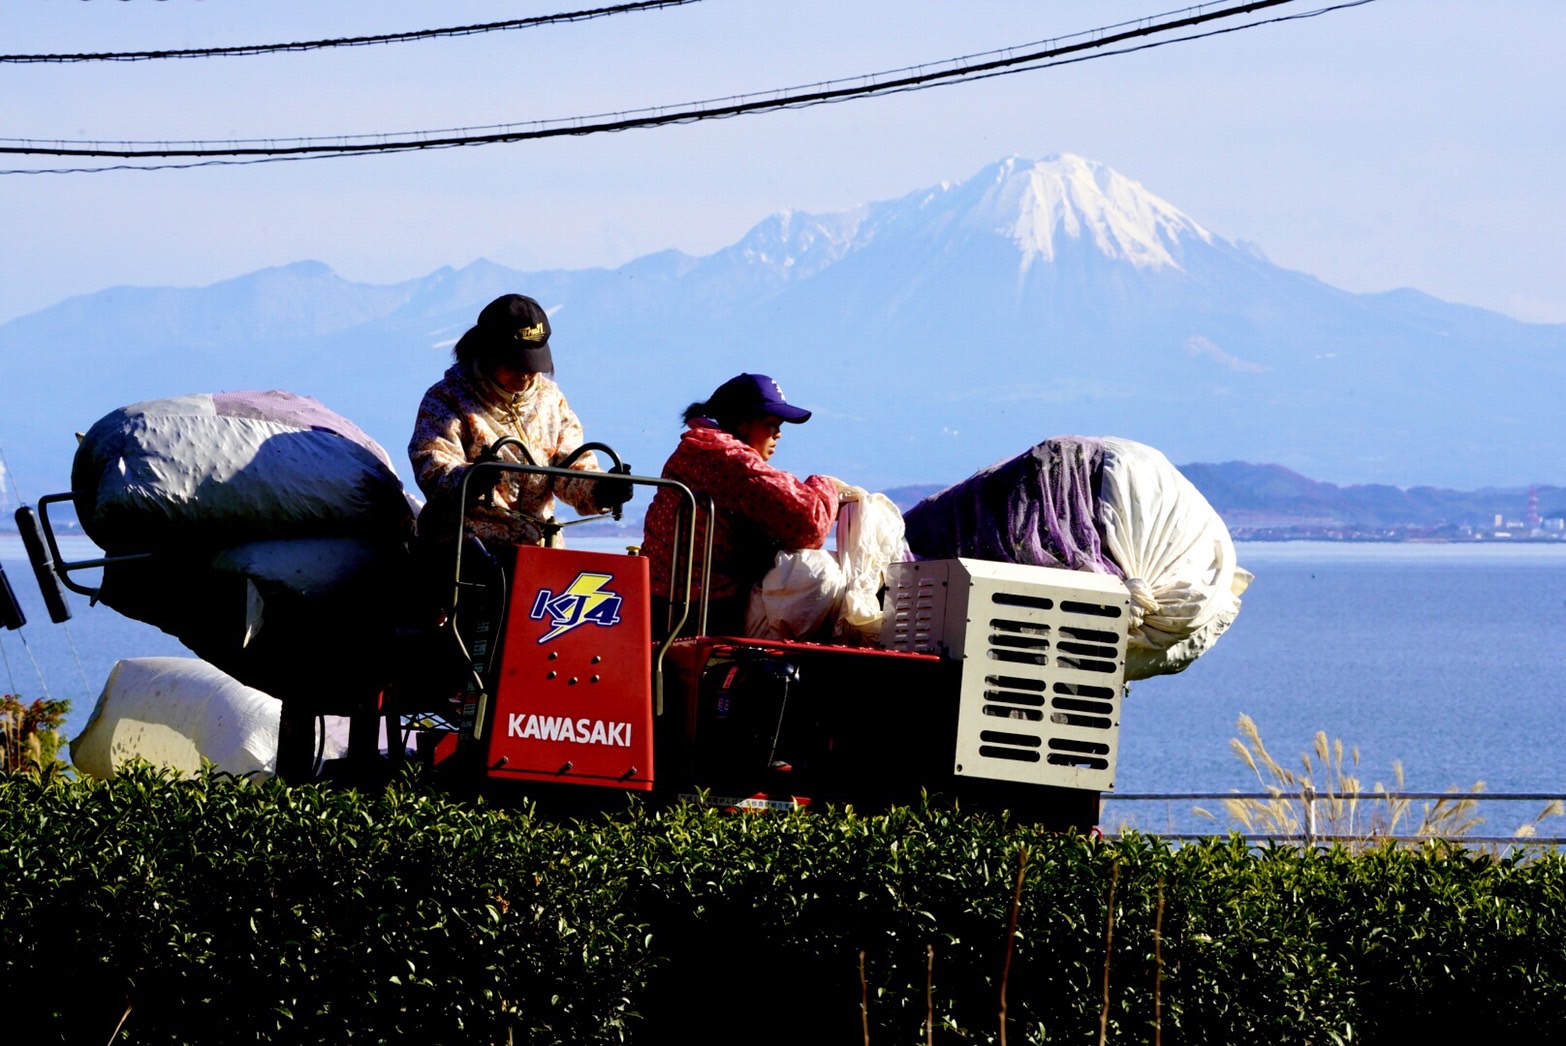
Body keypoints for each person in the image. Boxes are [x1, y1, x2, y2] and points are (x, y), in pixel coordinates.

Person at [408, 293, 630, 551]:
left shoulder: (551, 399)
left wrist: (601, 491)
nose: (524, 375)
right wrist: (470, 478)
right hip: (468, 548)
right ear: (488, 354)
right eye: (515, 365)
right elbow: (433, 465)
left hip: (538, 548)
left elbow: (570, 468)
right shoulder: (446, 400)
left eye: (532, 365)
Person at [641, 373, 849, 638]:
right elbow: (811, 525)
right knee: (820, 572)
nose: (779, 434)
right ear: (742, 422)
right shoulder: (729, 460)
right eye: (771, 424)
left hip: (663, 604)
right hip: (706, 614)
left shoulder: (697, 448)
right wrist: (825, 486)